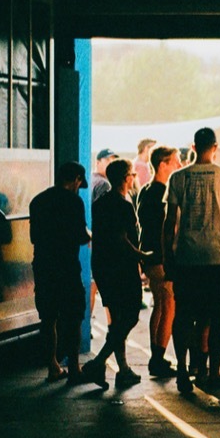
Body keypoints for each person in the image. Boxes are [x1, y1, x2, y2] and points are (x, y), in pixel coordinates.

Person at [163, 127, 220, 394]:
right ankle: (213, 373)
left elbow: (169, 222)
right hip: (218, 256)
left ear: (193, 147)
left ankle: (182, 370)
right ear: (214, 147)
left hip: (187, 257)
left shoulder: (178, 177)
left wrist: (168, 257)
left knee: (183, 315)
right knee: (217, 317)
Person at [81, 160, 152, 389]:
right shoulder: (123, 205)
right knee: (130, 316)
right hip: (121, 268)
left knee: (118, 318)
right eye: (132, 174)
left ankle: (123, 369)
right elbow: (122, 239)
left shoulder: (101, 202)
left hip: (102, 266)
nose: (134, 178)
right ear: (125, 177)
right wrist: (142, 256)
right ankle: (98, 362)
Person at [29, 162, 90, 383]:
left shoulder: (38, 201)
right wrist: (90, 236)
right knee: (73, 317)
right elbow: (81, 237)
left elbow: (34, 237)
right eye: (79, 182)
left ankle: (52, 367)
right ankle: (74, 368)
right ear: (76, 179)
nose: (79, 186)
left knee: (48, 318)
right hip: (67, 267)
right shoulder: (75, 202)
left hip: (44, 266)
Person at [138, 144, 181, 377]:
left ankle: (157, 356)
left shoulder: (146, 190)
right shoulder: (161, 194)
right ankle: (158, 358)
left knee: (159, 304)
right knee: (168, 305)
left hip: (149, 256)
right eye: (176, 161)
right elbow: (163, 229)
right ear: (163, 164)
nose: (179, 165)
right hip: (161, 258)